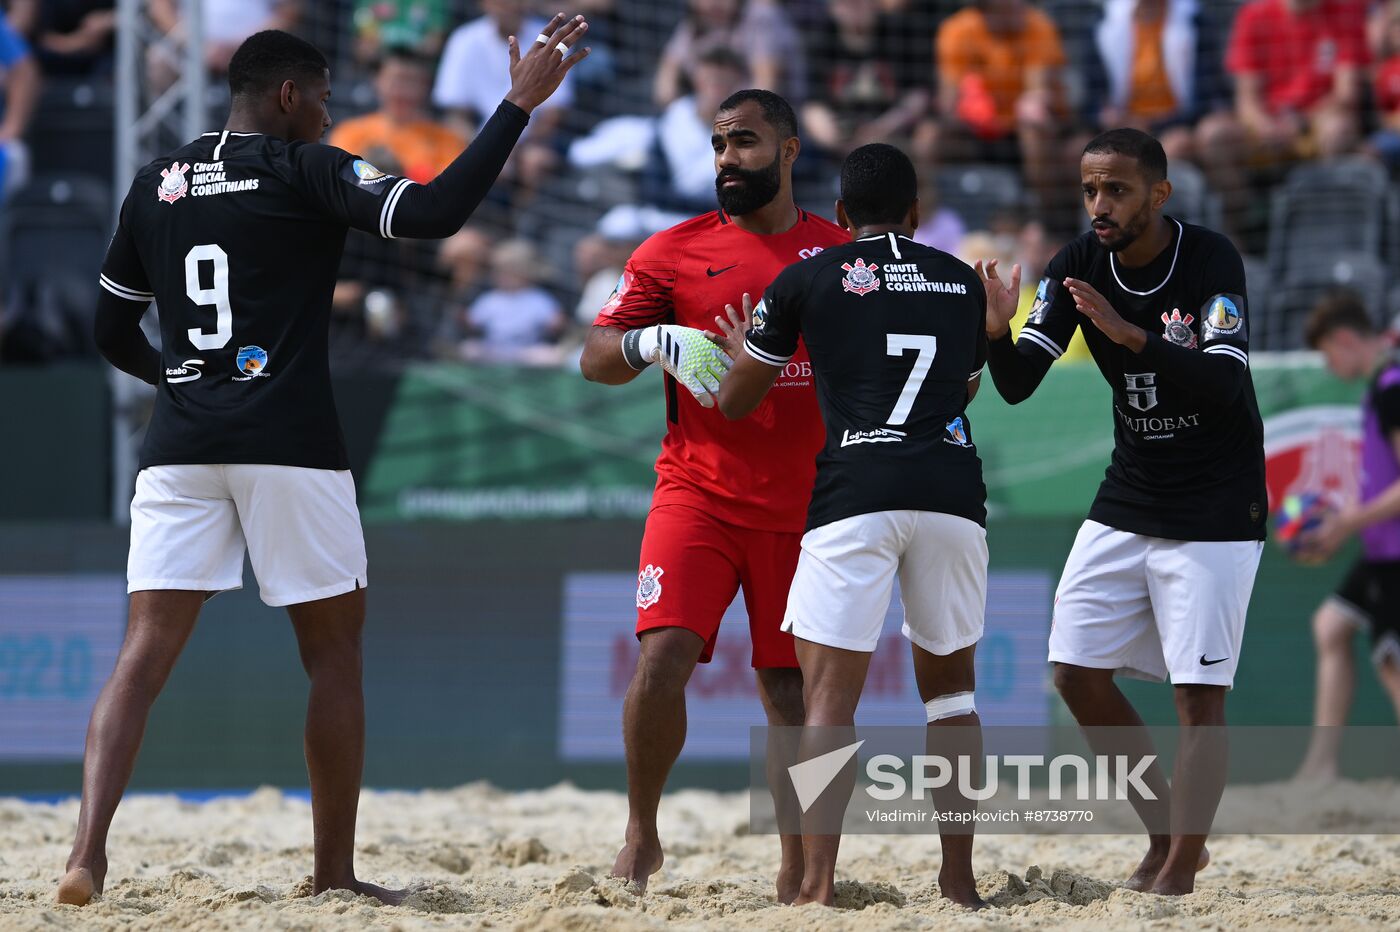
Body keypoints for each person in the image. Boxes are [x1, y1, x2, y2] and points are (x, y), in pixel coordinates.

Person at [57, 20, 588, 907]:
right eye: (329, 97)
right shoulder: (304, 167)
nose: (333, 112)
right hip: (289, 442)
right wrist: (515, 106)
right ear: (290, 97)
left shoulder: (158, 181)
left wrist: (183, 383)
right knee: (333, 657)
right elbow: (432, 214)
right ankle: (333, 874)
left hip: (182, 446)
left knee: (141, 654)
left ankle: (85, 857)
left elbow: (111, 328)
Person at [977, 128, 1265, 895]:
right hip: (1130, 493)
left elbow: (1224, 385)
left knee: (1197, 698)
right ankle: (1170, 833)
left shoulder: (1211, 260)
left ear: (1159, 195)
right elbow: (1014, 384)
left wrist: (1129, 334)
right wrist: (997, 328)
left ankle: (1176, 871)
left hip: (1215, 503)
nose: (1099, 205)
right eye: (1090, 190)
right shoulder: (1074, 264)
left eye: (1116, 190)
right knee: (1073, 674)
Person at [578, 89, 847, 901]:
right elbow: (593, 357)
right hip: (696, 490)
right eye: (719, 144)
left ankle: (799, 863)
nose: (727, 158)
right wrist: (645, 339)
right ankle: (641, 836)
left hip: (806, 504)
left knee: (790, 690)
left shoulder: (840, 256)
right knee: (662, 657)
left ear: (791, 151)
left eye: (745, 143)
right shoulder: (670, 251)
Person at [717, 143, 990, 909]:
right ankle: (959, 882)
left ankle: (817, 883)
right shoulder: (960, 278)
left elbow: (737, 401)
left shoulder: (807, 274)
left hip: (856, 489)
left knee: (830, 701)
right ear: (916, 211)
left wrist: (743, 352)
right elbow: (964, 388)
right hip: (948, 487)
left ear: (839, 217)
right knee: (953, 698)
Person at [1292, 292, 1400, 779]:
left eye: (1326, 353)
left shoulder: (1392, 385)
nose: (1329, 365)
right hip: (1380, 545)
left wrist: (1346, 524)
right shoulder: (1380, 384)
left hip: (1394, 554)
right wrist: (1340, 528)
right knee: (1331, 626)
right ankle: (1319, 768)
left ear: (1343, 339)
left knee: (1391, 663)